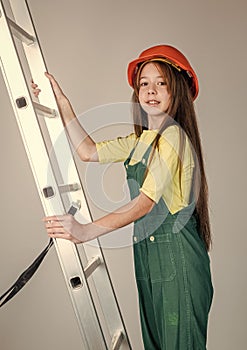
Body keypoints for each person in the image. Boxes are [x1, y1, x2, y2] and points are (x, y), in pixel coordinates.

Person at [32, 44, 214, 349]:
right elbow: (87, 151)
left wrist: (85, 231)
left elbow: (144, 204)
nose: (151, 90)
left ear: (177, 90)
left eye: (161, 83)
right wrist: (62, 103)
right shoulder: (141, 141)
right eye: (144, 83)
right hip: (150, 262)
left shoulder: (173, 138)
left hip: (177, 264)